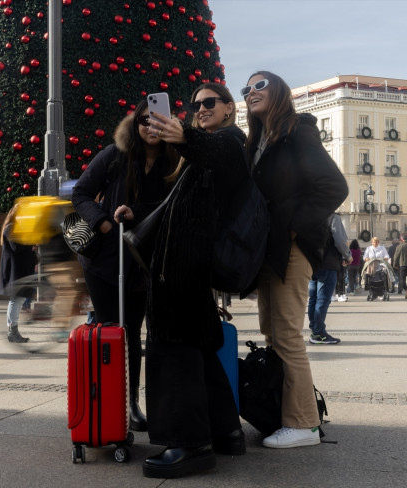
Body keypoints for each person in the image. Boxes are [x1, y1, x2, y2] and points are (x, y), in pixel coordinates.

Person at [142, 82, 249, 477]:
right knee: (201, 348)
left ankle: (190, 444)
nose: (200, 108)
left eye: (209, 103)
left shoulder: (229, 143)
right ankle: (225, 432)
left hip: (184, 267)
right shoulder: (208, 148)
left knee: (175, 352)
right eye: (195, 105)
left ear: (228, 109)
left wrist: (184, 137)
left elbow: (216, 156)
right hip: (188, 265)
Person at [243, 71, 347, 449]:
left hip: (292, 247)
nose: (250, 92)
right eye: (246, 88)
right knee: (272, 334)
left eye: (259, 85)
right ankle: (282, 413)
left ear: (279, 92)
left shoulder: (297, 131)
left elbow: (334, 187)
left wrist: (292, 227)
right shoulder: (259, 140)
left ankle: (303, 424)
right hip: (270, 250)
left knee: (287, 335)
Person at [73, 99, 179, 433]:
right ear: (136, 125)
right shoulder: (115, 155)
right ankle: (109, 400)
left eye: (158, 121)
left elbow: (172, 206)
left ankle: (131, 402)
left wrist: (140, 214)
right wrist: (104, 223)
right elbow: (81, 193)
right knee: (109, 330)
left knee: (133, 331)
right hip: (104, 260)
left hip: (143, 261)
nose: (151, 127)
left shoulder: (173, 161)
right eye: (145, 121)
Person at [308, 214, 351, 344]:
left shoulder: (310, 215)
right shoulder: (331, 216)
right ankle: (318, 333)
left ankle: (315, 330)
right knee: (323, 299)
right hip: (328, 263)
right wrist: (347, 255)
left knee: (313, 299)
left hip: (312, 264)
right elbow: (340, 240)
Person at [0, 205, 36, 343]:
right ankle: (12, 331)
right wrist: (30, 242)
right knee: (16, 300)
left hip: (20, 270)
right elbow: (16, 247)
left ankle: (13, 331)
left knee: (18, 300)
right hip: (14, 271)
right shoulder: (10, 227)